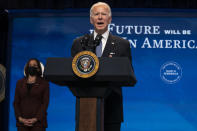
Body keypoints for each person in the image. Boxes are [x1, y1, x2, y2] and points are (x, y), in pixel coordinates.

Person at [71, 2, 135, 131]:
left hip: (112, 109)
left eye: (103, 14)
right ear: (91, 19)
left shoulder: (122, 44)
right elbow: (73, 74)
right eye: (96, 14)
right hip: (85, 109)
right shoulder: (79, 43)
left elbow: (129, 74)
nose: (100, 17)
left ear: (109, 19)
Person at [13, 58, 49, 131]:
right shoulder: (19, 83)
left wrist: (36, 119)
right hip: (22, 123)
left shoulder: (44, 84)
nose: (32, 67)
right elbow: (16, 102)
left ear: (38, 69)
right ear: (27, 67)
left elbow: (45, 103)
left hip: (38, 124)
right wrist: (20, 118)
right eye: (30, 65)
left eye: (34, 65)